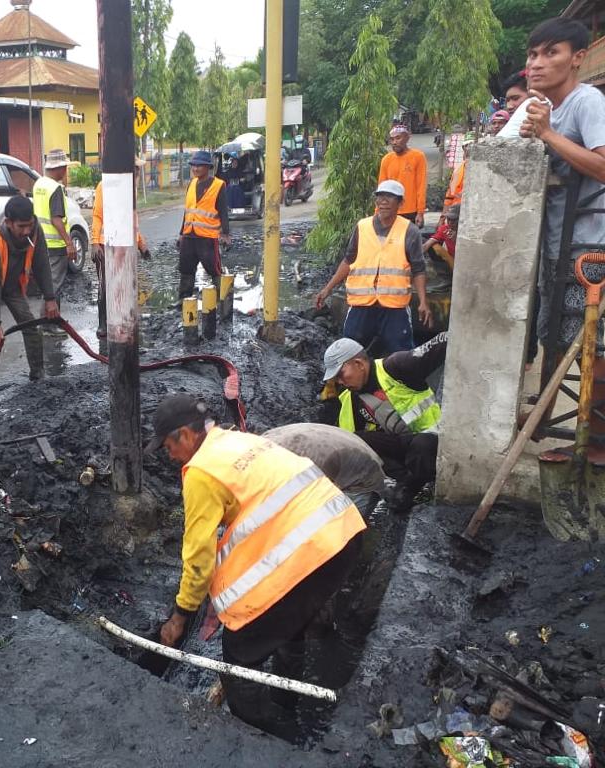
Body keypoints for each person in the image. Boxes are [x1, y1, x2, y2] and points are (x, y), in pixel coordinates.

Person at [147, 394, 366, 733]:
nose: (169, 455)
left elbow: (199, 556)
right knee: (289, 623)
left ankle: (272, 734)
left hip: (312, 551)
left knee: (239, 653)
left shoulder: (201, 472)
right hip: (343, 532)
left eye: (167, 446)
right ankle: (285, 700)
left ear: (185, 435)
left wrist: (181, 615)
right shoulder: (237, 441)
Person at [518, 18, 605, 349]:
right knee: (553, 339)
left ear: (578, 58)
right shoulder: (549, 108)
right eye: (532, 54)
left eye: (551, 52)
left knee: (586, 348)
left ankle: (591, 404)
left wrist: (549, 135)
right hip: (556, 246)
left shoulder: (588, 101)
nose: (536, 63)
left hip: (586, 249)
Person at [321, 334, 446, 510]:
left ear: (358, 364)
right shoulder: (351, 400)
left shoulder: (397, 366)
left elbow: (444, 341)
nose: (340, 382)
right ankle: (402, 483)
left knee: (422, 445)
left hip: (434, 440)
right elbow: (347, 449)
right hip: (404, 446)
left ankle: (412, 489)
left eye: (341, 374)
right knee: (357, 441)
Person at [315, 180, 431, 354]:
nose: (383, 201)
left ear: (400, 203)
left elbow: (418, 269)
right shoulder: (362, 227)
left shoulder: (410, 231)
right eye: (380, 197)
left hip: (394, 309)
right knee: (349, 352)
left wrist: (423, 302)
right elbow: (348, 260)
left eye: (390, 197)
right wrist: (327, 289)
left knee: (401, 355)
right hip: (361, 305)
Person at [0, 195, 60, 381]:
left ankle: (38, 374)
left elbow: (42, 264)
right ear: (8, 222)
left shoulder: (35, 230)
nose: (27, 231)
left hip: (11, 282)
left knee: (30, 324)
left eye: (29, 224)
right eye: (21, 226)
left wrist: (50, 298)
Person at [90, 170, 151, 339]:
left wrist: (141, 244)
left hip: (124, 244)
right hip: (106, 243)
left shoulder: (130, 189)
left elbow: (132, 220)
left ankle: (122, 319)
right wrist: (95, 242)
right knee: (105, 285)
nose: (137, 173)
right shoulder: (104, 186)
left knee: (123, 284)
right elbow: (97, 215)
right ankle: (103, 323)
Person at [177, 150, 230, 300]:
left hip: (207, 238)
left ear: (208, 167)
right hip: (189, 236)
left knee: (214, 270)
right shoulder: (191, 184)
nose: (195, 169)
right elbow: (187, 212)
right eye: (193, 165)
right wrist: (181, 234)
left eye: (199, 166)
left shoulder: (219, 185)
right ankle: (183, 300)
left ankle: (223, 300)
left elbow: (223, 212)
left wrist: (225, 234)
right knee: (186, 270)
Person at [33, 149, 76, 314]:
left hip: (41, 243)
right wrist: (69, 243)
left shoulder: (39, 184)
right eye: (64, 167)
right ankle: (49, 325)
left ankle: (50, 322)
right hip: (55, 245)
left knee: (47, 283)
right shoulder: (55, 188)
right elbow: (56, 219)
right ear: (58, 168)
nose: (65, 171)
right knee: (53, 286)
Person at [377, 125, 427, 227]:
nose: (394, 142)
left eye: (398, 138)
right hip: (390, 210)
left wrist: (420, 212)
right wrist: (378, 211)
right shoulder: (386, 159)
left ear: (407, 138)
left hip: (410, 211)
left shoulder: (418, 157)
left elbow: (421, 186)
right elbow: (381, 188)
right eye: (392, 139)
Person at [425, 204, 460, 270]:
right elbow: (428, 244)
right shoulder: (444, 229)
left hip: (462, 262)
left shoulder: (465, 233)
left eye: (453, 220)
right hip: (451, 261)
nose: (450, 222)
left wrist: (456, 240)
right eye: (448, 219)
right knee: (434, 245)